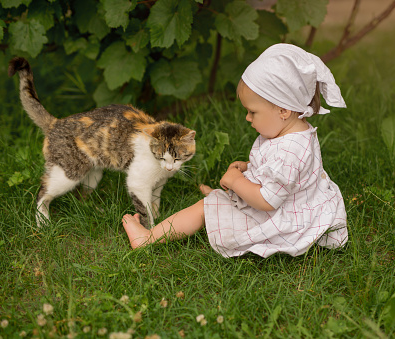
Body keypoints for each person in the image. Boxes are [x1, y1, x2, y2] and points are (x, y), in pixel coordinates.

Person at [122, 43, 348, 258]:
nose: (247, 118)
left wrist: (235, 182)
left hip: (280, 216)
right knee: (225, 198)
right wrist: (250, 167)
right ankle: (228, 200)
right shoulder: (295, 132)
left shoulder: (289, 150)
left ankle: (148, 237)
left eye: (252, 112)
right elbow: (287, 174)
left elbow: (267, 202)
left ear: (283, 110)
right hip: (298, 201)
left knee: (203, 209)